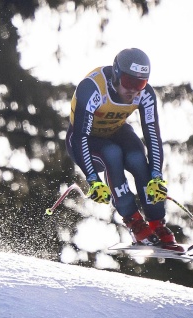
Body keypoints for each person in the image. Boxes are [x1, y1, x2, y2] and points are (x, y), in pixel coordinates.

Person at [65, 48, 179, 249]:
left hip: (116, 132)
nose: (134, 90)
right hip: (85, 141)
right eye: (129, 82)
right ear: (116, 74)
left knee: (136, 156)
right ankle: (133, 221)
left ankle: (156, 222)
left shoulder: (145, 95)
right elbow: (80, 135)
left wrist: (156, 176)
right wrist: (93, 179)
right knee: (112, 153)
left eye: (141, 83)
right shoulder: (92, 88)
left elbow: (152, 135)